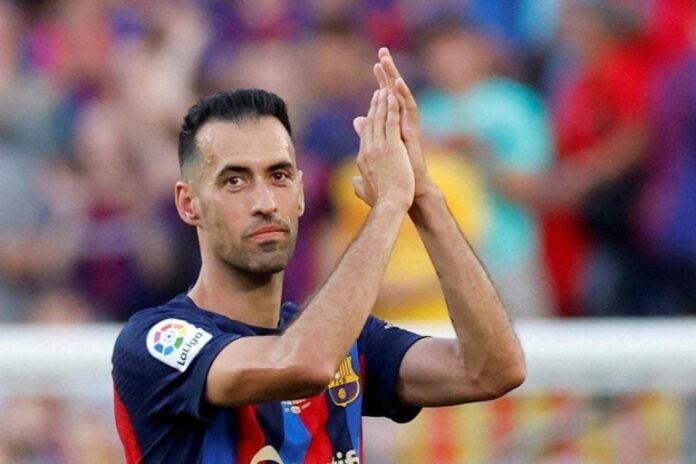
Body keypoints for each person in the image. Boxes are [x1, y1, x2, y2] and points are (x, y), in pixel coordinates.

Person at [111, 48, 525, 463]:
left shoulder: (348, 340)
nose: (265, 202)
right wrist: (387, 206)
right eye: (235, 181)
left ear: (301, 193)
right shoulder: (155, 341)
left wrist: (423, 196)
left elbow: (493, 370)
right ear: (189, 204)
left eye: (279, 176)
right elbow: (301, 365)